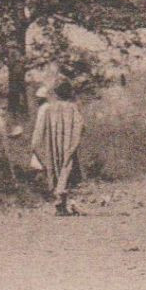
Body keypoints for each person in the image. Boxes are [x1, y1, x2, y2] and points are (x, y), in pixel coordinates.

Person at [31, 80, 86, 216]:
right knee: (67, 171)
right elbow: (81, 126)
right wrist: (75, 141)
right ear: (69, 93)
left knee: (55, 171)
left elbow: (38, 133)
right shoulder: (73, 108)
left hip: (51, 147)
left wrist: (39, 149)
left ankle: (60, 206)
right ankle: (63, 203)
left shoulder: (48, 109)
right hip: (68, 146)